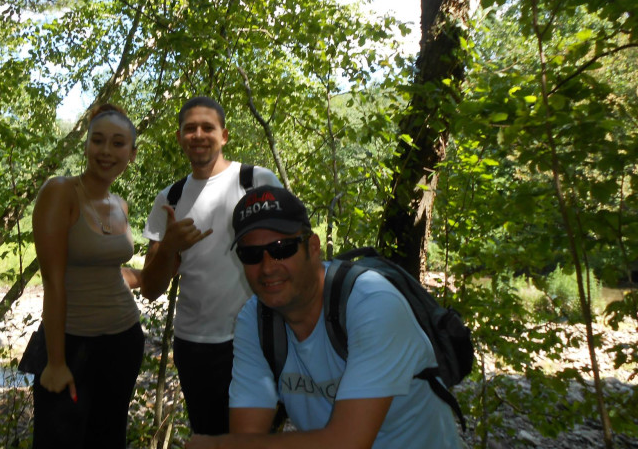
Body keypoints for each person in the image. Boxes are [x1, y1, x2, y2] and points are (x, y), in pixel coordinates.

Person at [186, 185, 463, 449]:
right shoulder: (255, 321)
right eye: (251, 254)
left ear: (313, 247)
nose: (268, 267)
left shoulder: (373, 304)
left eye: (283, 248)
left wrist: (219, 444)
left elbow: (347, 443)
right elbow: (246, 437)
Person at [142, 96, 283, 435]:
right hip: (196, 344)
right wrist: (170, 248)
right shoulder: (170, 199)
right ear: (179, 138)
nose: (199, 134)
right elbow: (150, 288)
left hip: (258, 337)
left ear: (224, 135)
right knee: (208, 436)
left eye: (208, 127)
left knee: (257, 439)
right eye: (190, 128)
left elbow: (294, 256)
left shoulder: (256, 182)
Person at [29, 104, 145, 448]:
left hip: (125, 340)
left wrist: (170, 254)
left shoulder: (120, 204)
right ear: (86, 146)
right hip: (71, 343)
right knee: (57, 439)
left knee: (108, 438)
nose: (106, 151)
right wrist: (55, 361)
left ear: (132, 153)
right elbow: (53, 280)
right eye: (98, 141)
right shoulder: (60, 192)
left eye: (118, 143)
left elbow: (108, 272)